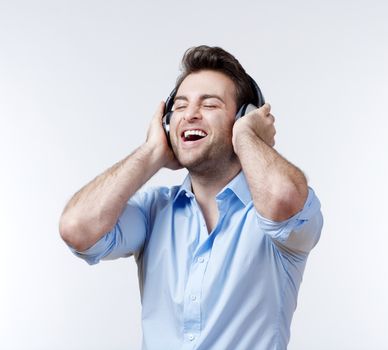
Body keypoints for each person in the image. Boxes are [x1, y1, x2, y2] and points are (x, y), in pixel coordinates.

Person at [59, 45, 323, 350]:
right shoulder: (153, 211)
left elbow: (282, 200)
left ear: (244, 118)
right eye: (181, 106)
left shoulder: (276, 215)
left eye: (209, 105)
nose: (190, 115)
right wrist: (151, 153)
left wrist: (247, 138)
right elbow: (76, 228)